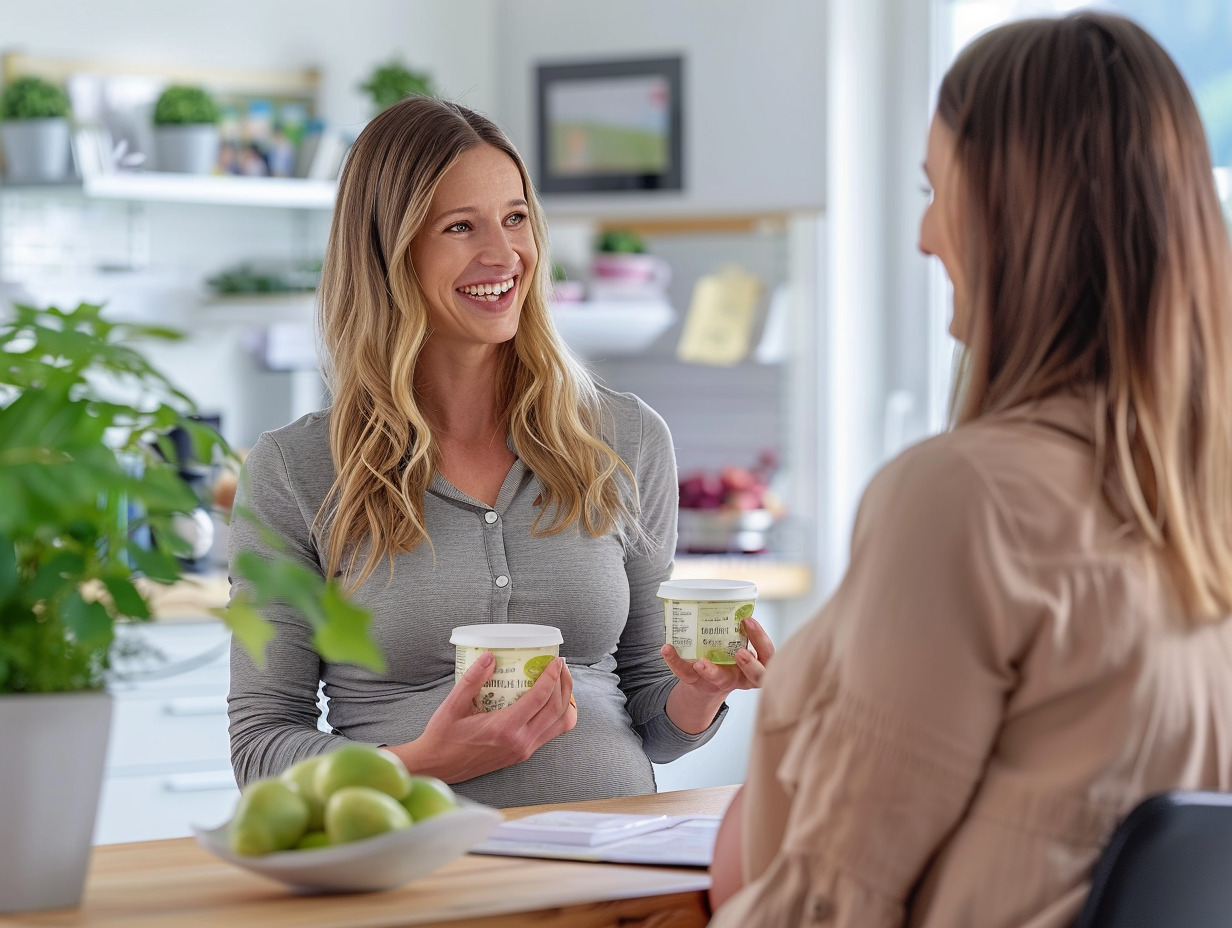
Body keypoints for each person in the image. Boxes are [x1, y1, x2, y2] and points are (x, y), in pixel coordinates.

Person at [708, 12, 1232, 928]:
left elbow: (828, 904)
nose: (922, 236)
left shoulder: (967, 500)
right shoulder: (1196, 508)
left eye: (935, 189)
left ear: (1013, 216)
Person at [226, 96, 772, 808]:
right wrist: (424, 761)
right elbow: (263, 746)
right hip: (415, 869)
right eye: (461, 227)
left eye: (515, 218)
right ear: (390, 254)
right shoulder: (297, 472)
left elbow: (650, 710)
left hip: (620, 865)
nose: (503, 254)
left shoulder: (626, 438)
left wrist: (700, 694)